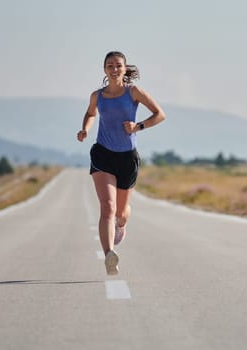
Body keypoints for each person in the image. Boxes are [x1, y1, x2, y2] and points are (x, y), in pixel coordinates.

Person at [77, 51, 165, 275]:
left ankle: (121, 225)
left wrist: (139, 126)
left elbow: (159, 114)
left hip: (127, 157)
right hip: (102, 154)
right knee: (107, 207)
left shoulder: (133, 92)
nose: (114, 69)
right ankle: (109, 255)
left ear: (125, 69)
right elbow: (90, 114)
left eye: (118, 65)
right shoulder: (97, 96)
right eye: (109, 66)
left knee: (121, 213)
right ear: (104, 69)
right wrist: (85, 129)